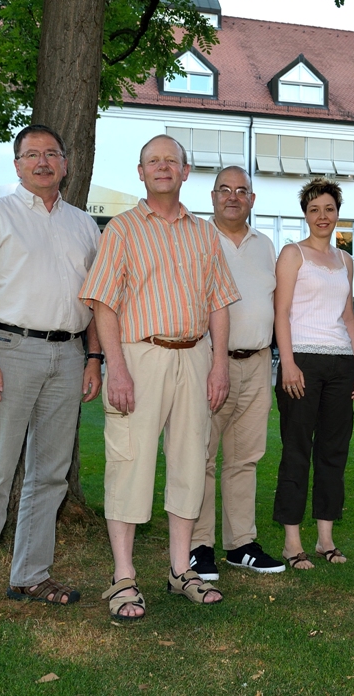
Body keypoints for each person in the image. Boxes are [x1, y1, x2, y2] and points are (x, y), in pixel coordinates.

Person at [0, 124, 103, 633]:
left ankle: (30, 575)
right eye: (31, 154)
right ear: (16, 165)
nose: (42, 162)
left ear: (65, 164)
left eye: (51, 153)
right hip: (9, 352)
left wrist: (93, 358)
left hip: (68, 356)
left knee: (50, 476)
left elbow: (95, 300)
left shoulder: (84, 225)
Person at [80, 135, 236, 621]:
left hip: (195, 358)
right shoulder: (122, 231)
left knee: (191, 461)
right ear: (141, 172)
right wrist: (115, 367)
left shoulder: (205, 234)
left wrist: (219, 364)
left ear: (186, 172)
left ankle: (179, 569)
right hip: (138, 357)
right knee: (130, 462)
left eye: (172, 160)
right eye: (154, 161)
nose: (163, 167)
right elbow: (104, 303)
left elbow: (218, 304)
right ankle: (123, 577)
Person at [188, 167, 284, 579]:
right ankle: (198, 546)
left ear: (252, 200)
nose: (233, 197)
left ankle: (241, 544)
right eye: (224, 190)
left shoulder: (266, 246)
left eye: (241, 190)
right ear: (212, 197)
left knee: (245, 458)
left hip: (259, 362)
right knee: (201, 457)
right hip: (210, 362)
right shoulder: (195, 237)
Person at [272, 178, 354, 569]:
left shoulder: (345, 260)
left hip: (341, 364)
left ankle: (326, 538)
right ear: (305, 215)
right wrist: (288, 362)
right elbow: (281, 313)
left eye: (328, 209)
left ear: (338, 214)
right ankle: (292, 543)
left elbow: (347, 315)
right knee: (297, 450)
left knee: (334, 452)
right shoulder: (293, 254)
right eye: (314, 210)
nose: (322, 216)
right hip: (302, 363)